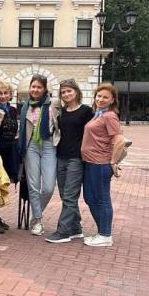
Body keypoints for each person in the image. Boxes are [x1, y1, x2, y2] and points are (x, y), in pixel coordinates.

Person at [45, 79, 92, 243]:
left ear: (76, 92)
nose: (66, 94)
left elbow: (93, 134)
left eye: (69, 91)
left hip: (76, 159)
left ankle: (63, 231)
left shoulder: (86, 111)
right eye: (63, 92)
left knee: (70, 196)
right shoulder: (61, 112)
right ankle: (76, 228)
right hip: (61, 157)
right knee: (65, 195)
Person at [81, 83, 125, 247]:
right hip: (90, 162)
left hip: (100, 164)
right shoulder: (99, 114)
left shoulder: (109, 116)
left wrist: (113, 161)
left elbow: (119, 140)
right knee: (90, 197)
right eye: (99, 96)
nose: (100, 99)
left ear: (112, 100)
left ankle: (105, 235)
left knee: (102, 199)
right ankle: (102, 232)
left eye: (105, 97)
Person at [19, 75, 61, 236]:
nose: (35, 90)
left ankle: (36, 213)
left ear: (45, 89)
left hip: (49, 144)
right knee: (33, 185)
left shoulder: (54, 103)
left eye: (39, 87)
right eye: (33, 86)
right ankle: (37, 220)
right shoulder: (25, 106)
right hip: (31, 146)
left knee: (49, 187)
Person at [0, 81, 18, 233]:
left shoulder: (13, 110)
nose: (3, 96)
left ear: (10, 95)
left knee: (4, 184)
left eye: (5, 93)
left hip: (10, 150)